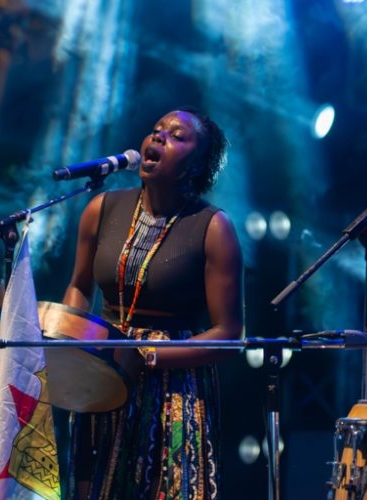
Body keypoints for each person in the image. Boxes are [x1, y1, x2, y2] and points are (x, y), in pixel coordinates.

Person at [61, 107, 243, 499]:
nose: (159, 137)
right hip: (104, 370)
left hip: (173, 383)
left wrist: (148, 355)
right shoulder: (101, 208)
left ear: (196, 166)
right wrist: (71, 337)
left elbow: (228, 334)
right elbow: (79, 286)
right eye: (157, 129)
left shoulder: (213, 227)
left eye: (177, 136)